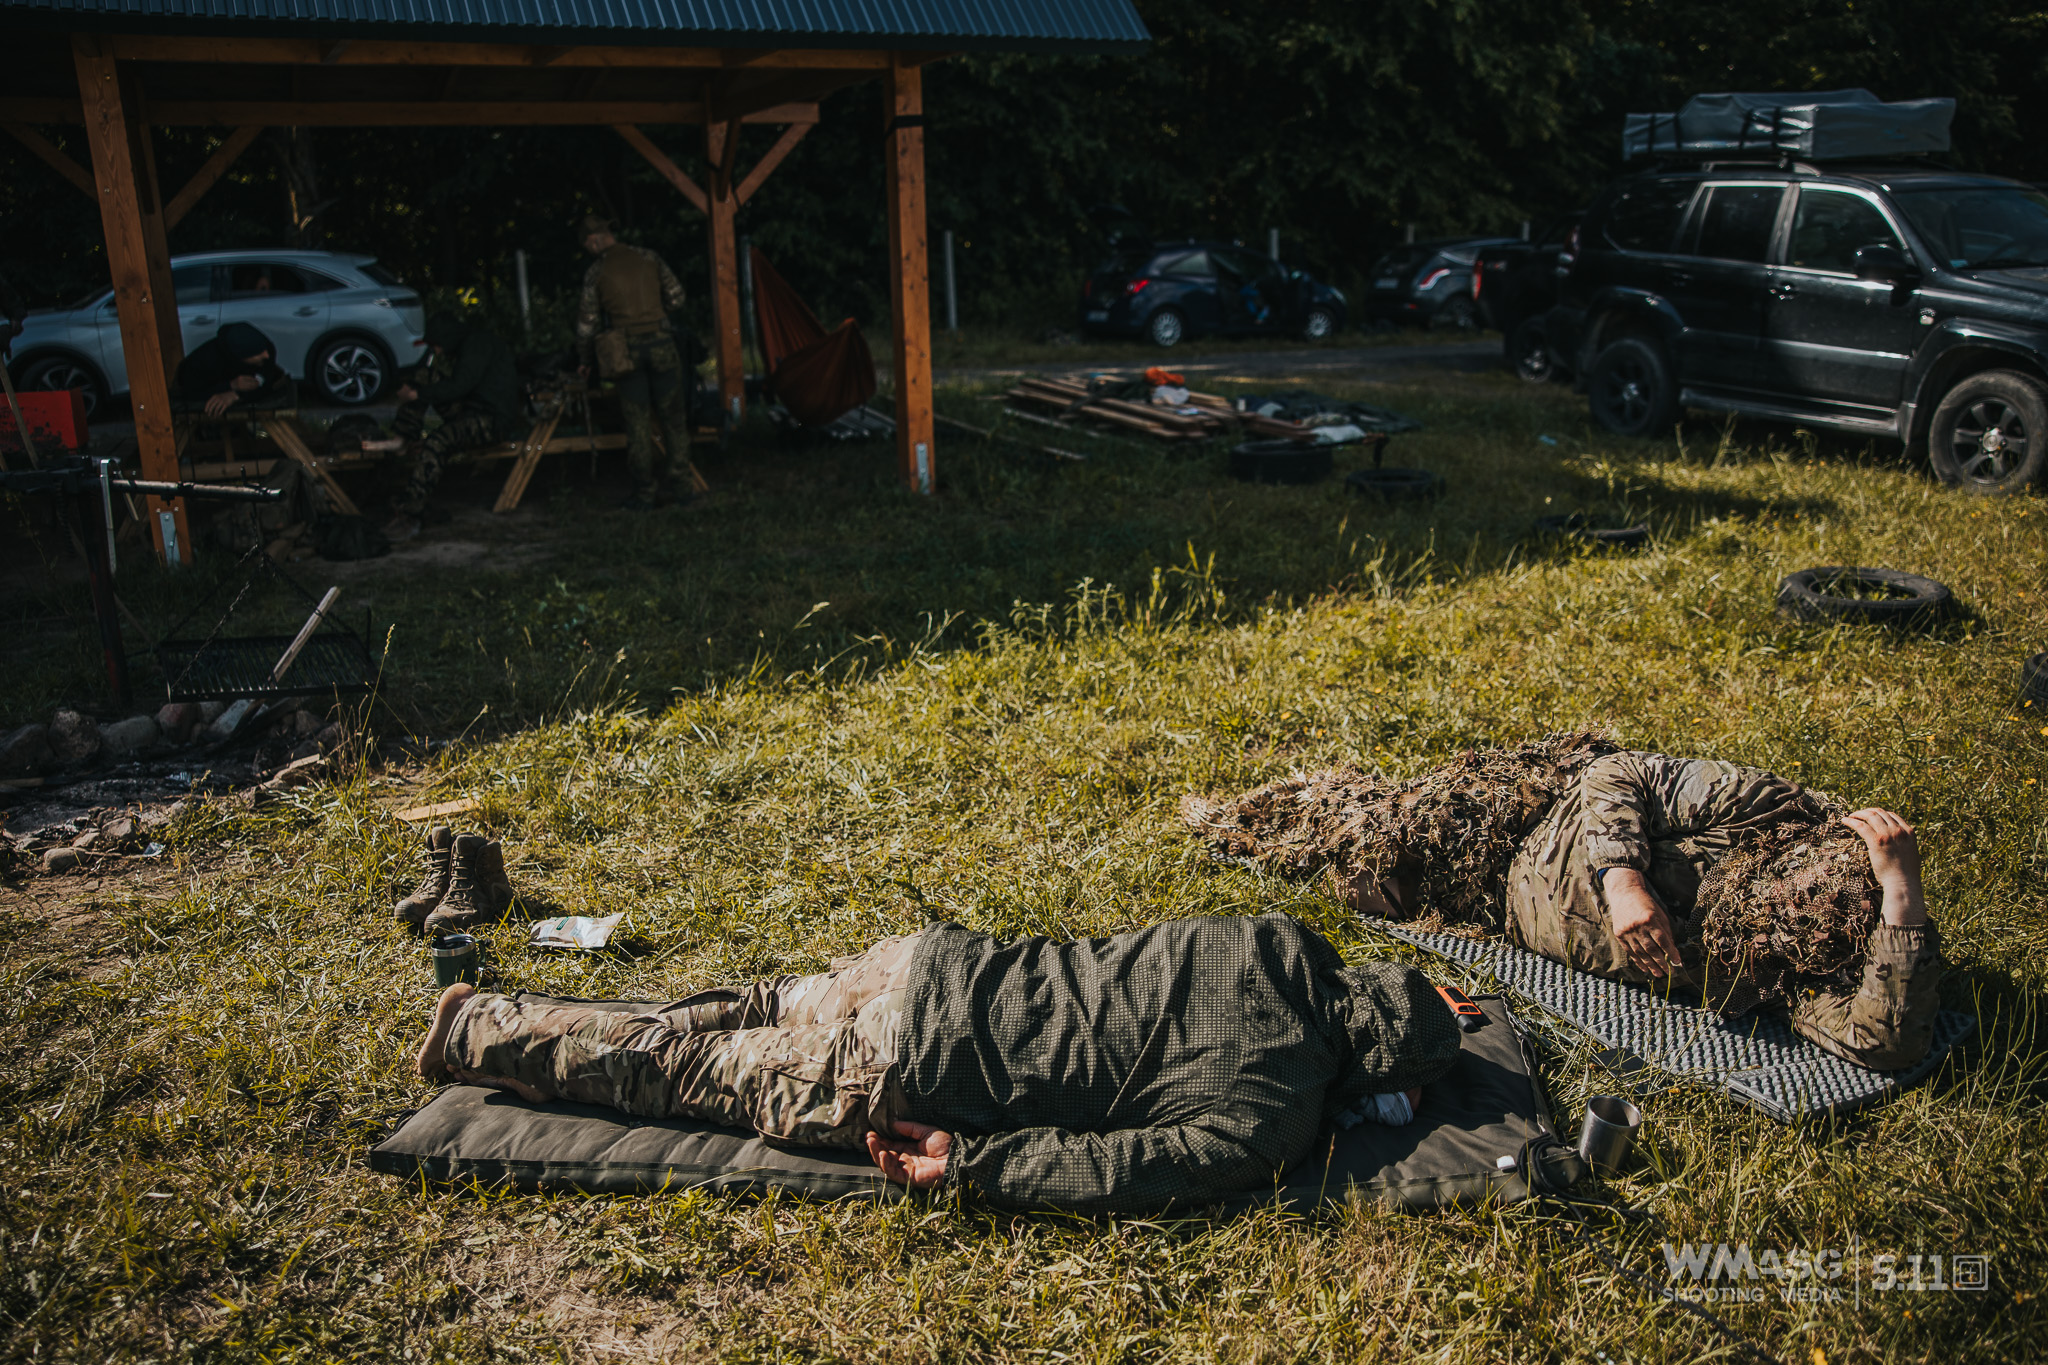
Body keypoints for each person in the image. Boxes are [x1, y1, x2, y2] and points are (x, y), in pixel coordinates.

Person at [416, 913, 1463, 1212]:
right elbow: (1119, 1172)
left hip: (927, 966)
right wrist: (969, 1170)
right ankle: (473, 1033)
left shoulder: (1271, 939)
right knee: (680, 1075)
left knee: (750, 1011)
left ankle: (527, 1023)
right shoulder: (1267, 1116)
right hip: (909, 1067)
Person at [1184, 735, 1944, 1071]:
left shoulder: (1798, 960)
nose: (1769, 923)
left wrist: (1902, 901)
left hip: (1494, 918)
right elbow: (1619, 773)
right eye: (1776, 897)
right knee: (1344, 840)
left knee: (1361, 879)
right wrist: (1623, 877)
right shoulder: (1765, 809)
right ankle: (1217, 809)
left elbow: (1883, 1044)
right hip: (1509, 831)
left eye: (1783, 930)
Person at [572, 214, 693, 509]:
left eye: (586, 243)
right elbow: (678, 298)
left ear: (594, 239)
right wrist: (653, 314)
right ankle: (682, 489)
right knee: (674, 420)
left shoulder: (596, 271)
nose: (587, 249)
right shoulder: (649, 257)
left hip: (626, 353)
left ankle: (644, 493)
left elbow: (587, 325)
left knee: (637, 424)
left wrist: (586, 359)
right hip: (663, 344)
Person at [383, 311, 523, 542]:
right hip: (471, 411)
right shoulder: (467, 345)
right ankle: (403, 436)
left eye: (437, 346)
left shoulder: (478, 344)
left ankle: (411, 509)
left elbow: (460, 386)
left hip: (491, 420)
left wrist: (418, 394)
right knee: (425, 375)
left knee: (438, 441)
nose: (437, 352)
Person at [174, 321, 291, 419]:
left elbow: (267, 382)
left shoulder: (267, 349)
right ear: (241, 356)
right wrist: (230, 386)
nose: (266, 356)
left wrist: (236, 395)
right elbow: (189, 393)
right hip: (194, 383)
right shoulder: (203, 362)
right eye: (258, 354)